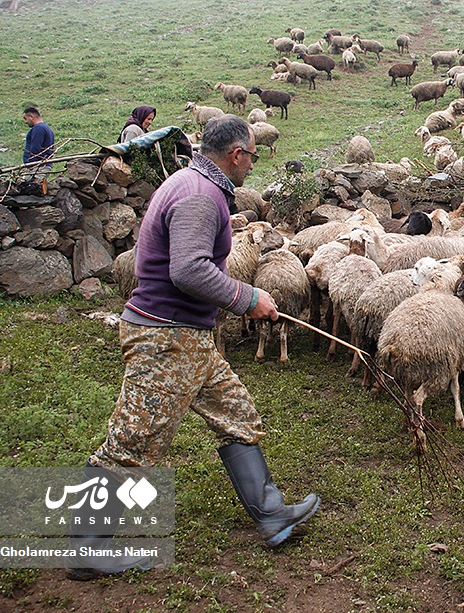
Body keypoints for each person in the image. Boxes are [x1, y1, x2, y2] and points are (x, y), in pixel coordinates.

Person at [67, 115, 318, 580]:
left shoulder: (188, 180)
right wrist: (249, 298)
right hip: (165, 337)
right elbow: (188, 270)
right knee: (134, 439)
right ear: (237, 154)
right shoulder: (201, 197)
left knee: (237, 412)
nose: (251, 166)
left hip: (189, 337)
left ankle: (271, 513)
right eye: (252, 157)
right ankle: (86, 548)